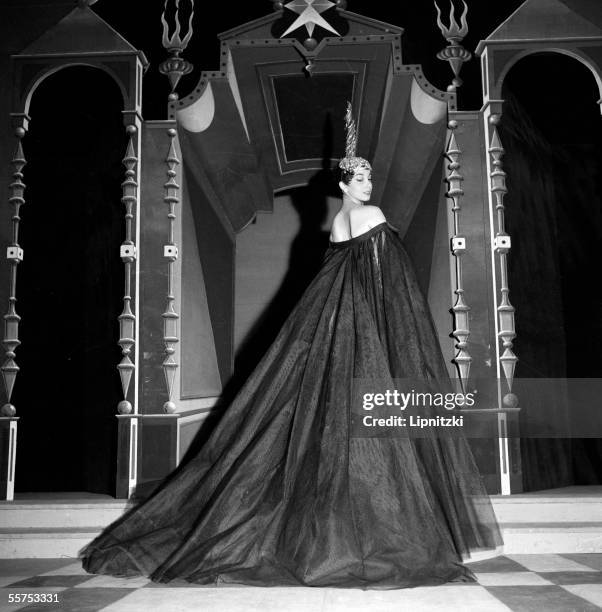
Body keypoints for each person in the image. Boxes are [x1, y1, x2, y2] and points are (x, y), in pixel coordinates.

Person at [80, 104, 502, 588]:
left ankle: (329, 537)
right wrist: (400, 341)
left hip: (333, 336)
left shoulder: (335, 226)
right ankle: (362, 539)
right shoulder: (371, 216)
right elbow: (390, 284)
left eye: (368, 178)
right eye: (360, 178)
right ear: (345, 185)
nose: (368, 184)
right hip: (361, 336)